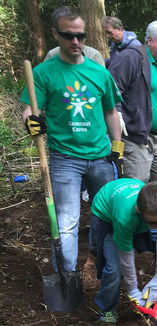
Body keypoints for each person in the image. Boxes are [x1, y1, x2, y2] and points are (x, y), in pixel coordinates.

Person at [21, 6, 122, 274]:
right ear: (55, 34)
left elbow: (111, 111)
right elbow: (31, 109)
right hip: (64, 159)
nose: (76, 41)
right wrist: (30, 121)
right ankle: (67, 277)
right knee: (67, 222)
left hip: (100, 156)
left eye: (81, 35)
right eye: (68, 35)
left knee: (108, 217)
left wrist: (118, 148)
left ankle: (105, 270)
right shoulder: (44, 73)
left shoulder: (100, 73)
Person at [90, 179, 157, 322]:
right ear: (139, 210)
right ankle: (106, 309)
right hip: (107, 215)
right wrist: (132, 289)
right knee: (114, 268)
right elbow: (126, 255)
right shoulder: (125, 218)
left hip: (140, 218)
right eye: (153, 223)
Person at [108, 20, 157, 185]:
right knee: (136, 186)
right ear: (149, 40)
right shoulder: (132, 58)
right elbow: (111, 88)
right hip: (135, 138)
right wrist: (118, 115)